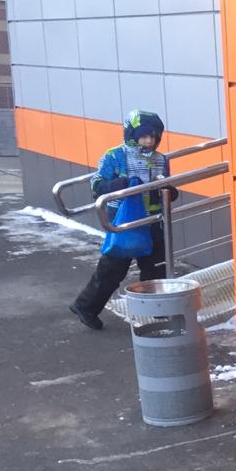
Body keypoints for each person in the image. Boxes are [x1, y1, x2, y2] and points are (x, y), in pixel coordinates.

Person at [69, 110, 177, 330]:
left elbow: (167, 183)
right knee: (114, 267)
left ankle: (156, 308)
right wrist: (110, 186)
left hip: (153, 218)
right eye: (144, 136)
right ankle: (86, 305)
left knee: (156, 266)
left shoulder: (160, 159)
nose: (149, 141)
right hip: (124, 218)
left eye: (154, 137)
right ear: (131, 134)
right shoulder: (115, 155)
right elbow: (96, 183)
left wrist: (169, 191)